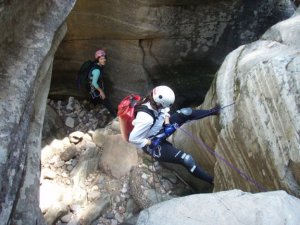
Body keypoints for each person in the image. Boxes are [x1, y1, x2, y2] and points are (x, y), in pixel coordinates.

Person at [129, 85, 220, 184]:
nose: (166, 107)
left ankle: (213, 111)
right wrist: (151, 142)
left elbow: (164, 112)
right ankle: (213, 181)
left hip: (160, 130)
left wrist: (167, 125)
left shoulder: (153, 100)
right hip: (152, 144)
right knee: (186, 159)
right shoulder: (146, 119)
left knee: (185, 112)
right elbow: (133, 139)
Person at [89, 49, 117, 117]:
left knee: (101, 101)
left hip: (94, 89)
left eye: (104, 58)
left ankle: (93, 108)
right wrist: (101, 92)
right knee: (107, 102)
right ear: (98, 60)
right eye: (101, 59)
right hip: (96, 90)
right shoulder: (97, 70)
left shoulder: (99, 66)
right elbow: (94, 83)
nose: (103, 60)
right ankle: (115, 116)